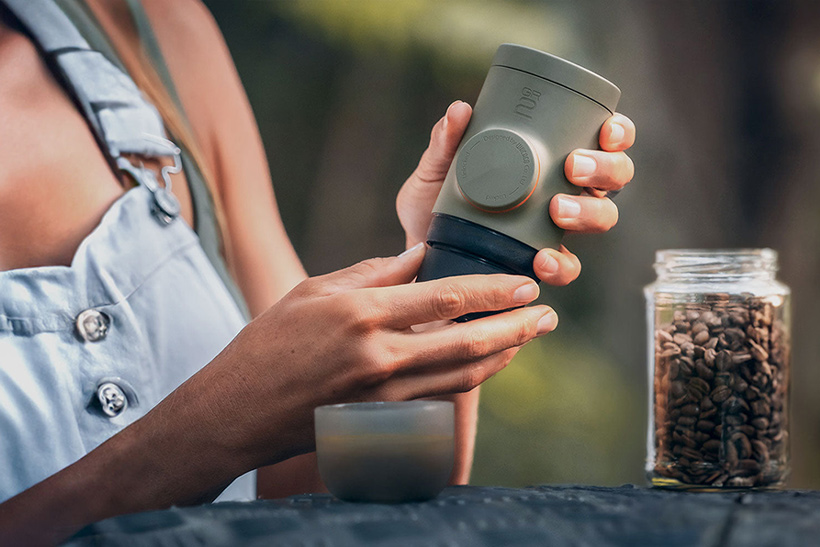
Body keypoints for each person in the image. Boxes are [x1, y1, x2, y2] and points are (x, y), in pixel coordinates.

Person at [0, 0, 635, 544]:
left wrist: (444, 272)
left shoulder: (150, 34)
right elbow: (237, 422)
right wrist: (209, 430)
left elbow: (332, 497)